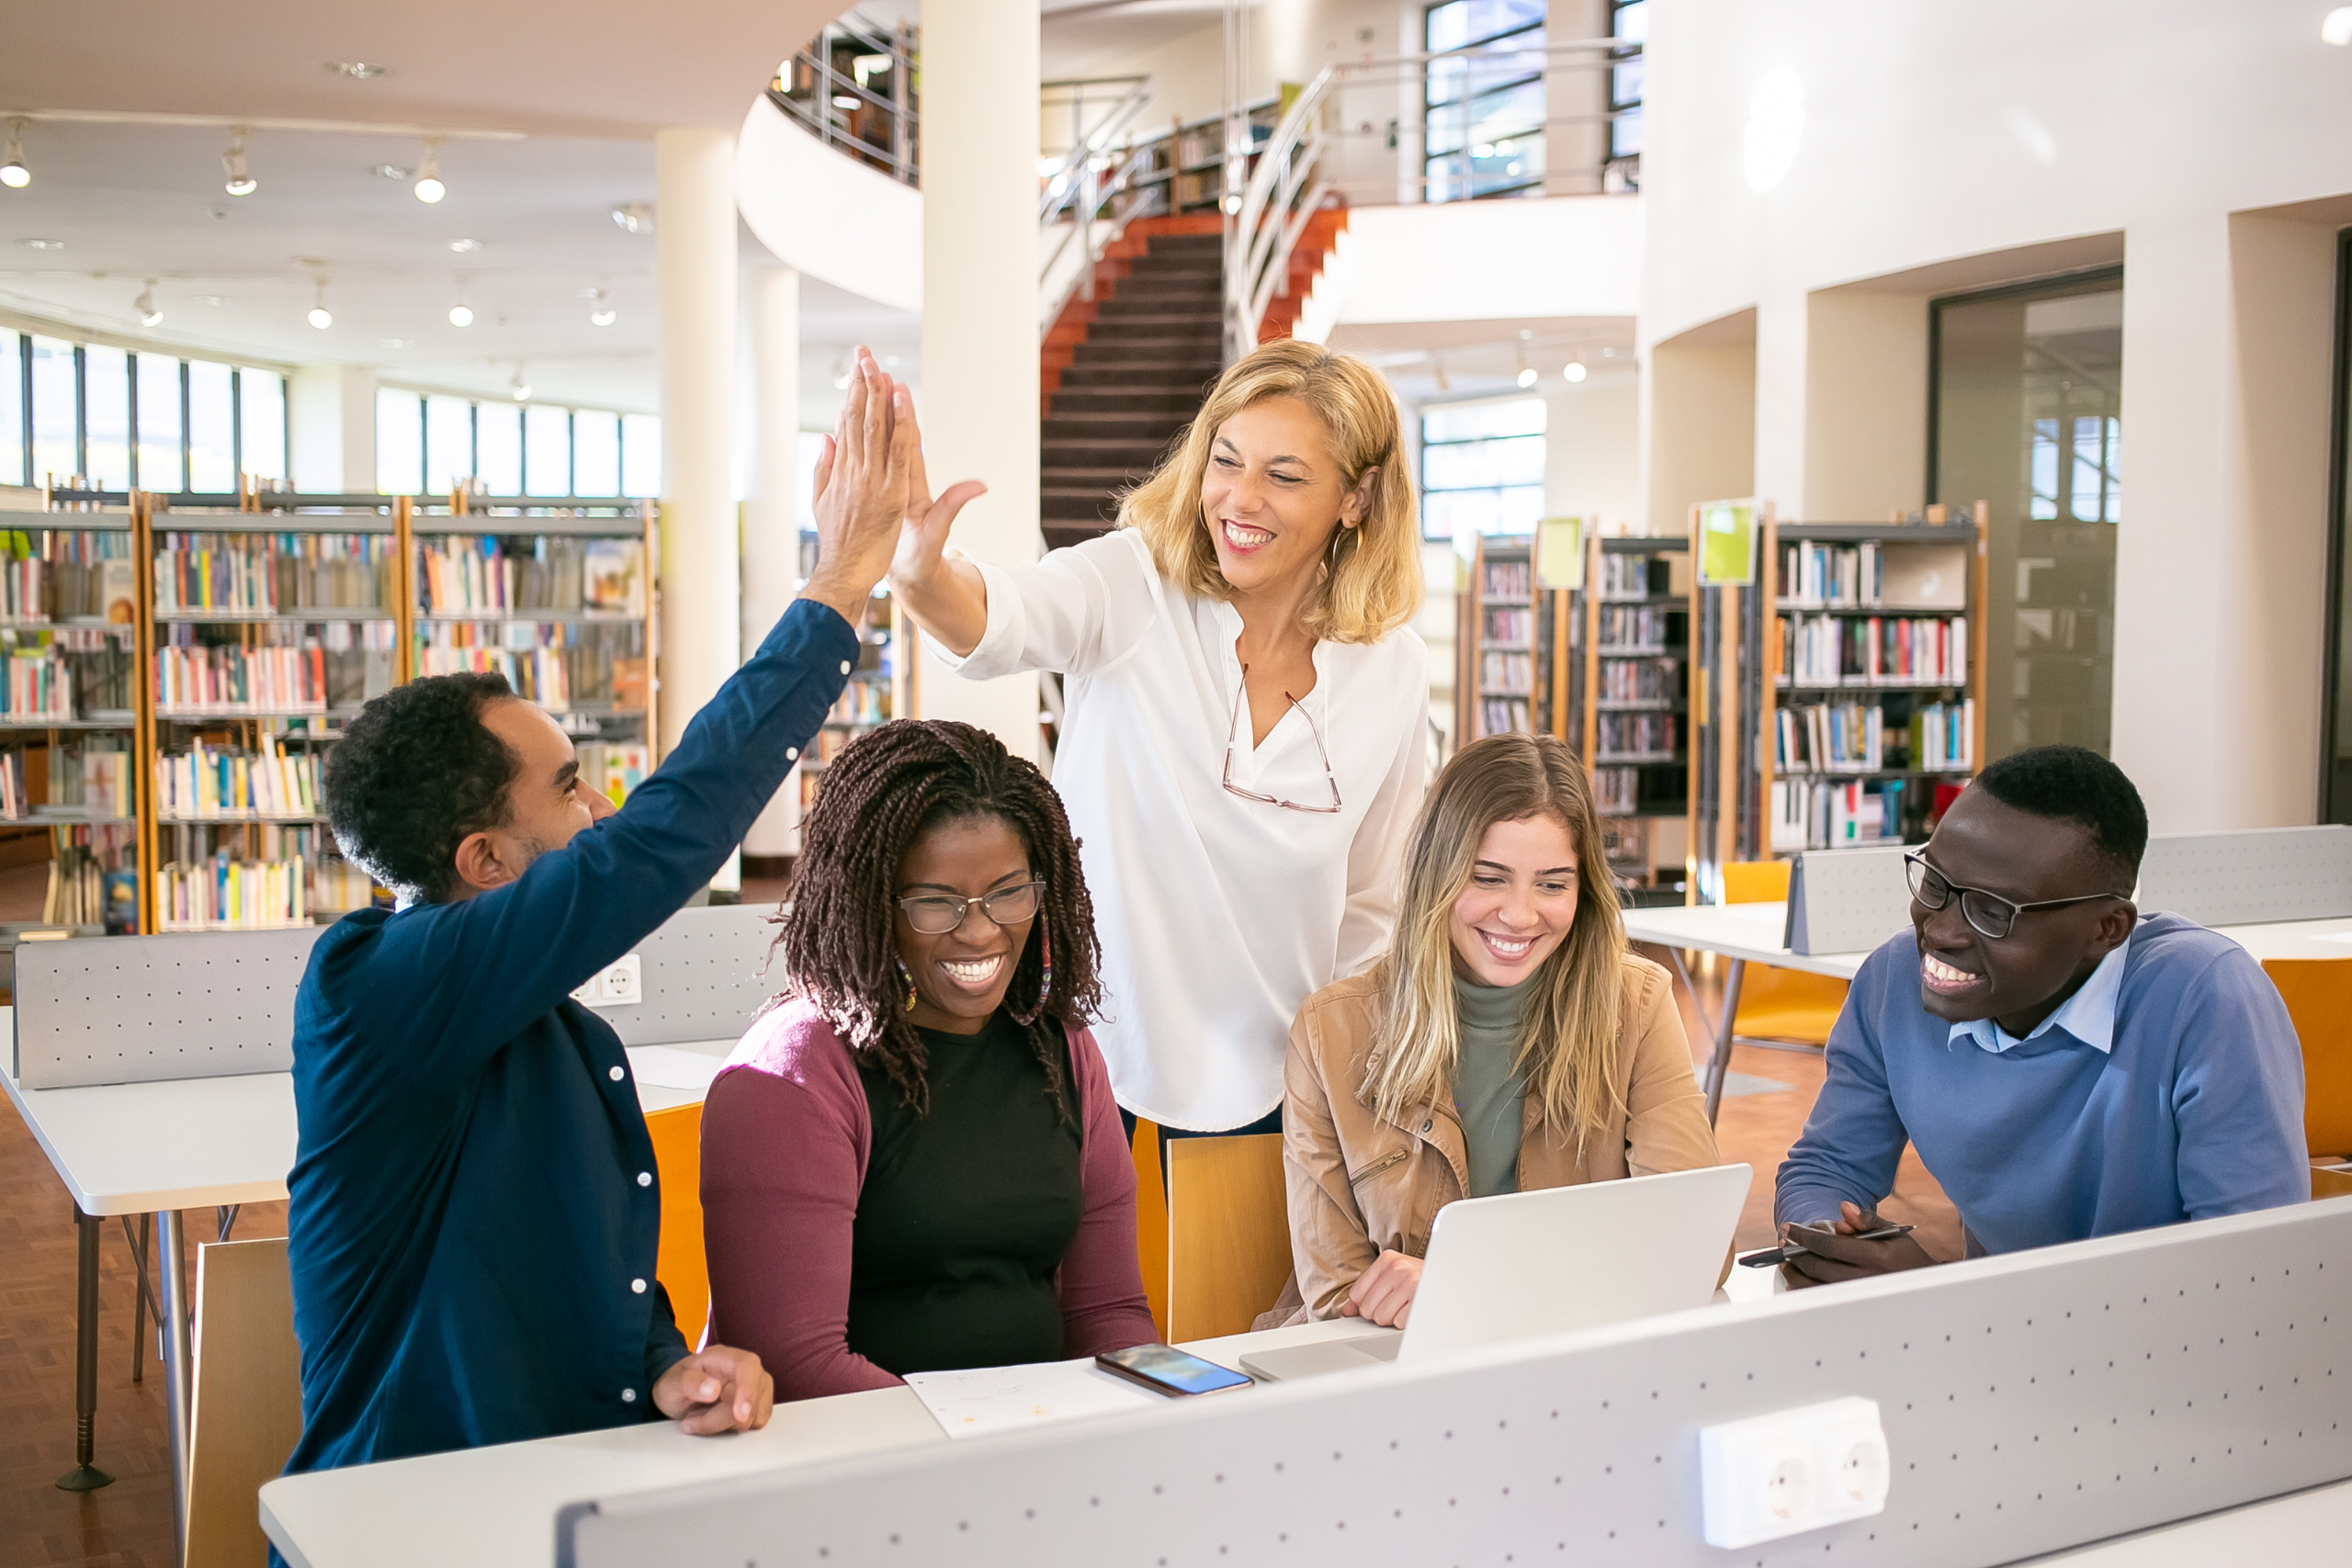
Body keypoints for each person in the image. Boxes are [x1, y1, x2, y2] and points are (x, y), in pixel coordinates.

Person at [280, 355, 914, 1481]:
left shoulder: (553, 1029)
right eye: (569, 787)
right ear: (482, 861)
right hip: (412, 1517)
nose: (601, 808)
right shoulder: (373, 988)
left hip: (570, 1492)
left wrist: (665, 1362)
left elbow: (577, 1262)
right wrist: (838, 587)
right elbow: (657, 841)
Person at [885, 339, 1429, 1144]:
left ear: (1357, 497)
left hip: (1283, 1089)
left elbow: (1373, 906)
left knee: (1241, 1278)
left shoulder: (1393, 669)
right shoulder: (1136, 585)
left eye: (1284, 476)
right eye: (1226, 461)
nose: (1239, 500)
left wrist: (1347, 1088)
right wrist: (923, 576)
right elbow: (1007, 615)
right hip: (1088, 1064)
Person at [700, 719, 1156, 1400]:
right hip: (867, 1463)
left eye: (1009, 891)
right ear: (869, 902)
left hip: (1035, 1448)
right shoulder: (793, 1073)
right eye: (936, 903)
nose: (979, 930)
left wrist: (1162, 1403)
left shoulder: (1061, 1047)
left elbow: (1107, 1313)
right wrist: (990, 1442)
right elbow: (796, 1364)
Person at [1773, 745, 2308, 1285]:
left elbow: (2250, 1277)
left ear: (2107, 929)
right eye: (1935, 883)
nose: (1940, 930)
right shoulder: (1893, 980)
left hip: (2168, 1353)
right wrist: (1826, 1238)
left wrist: (1937, 1296)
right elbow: (1828, 1166)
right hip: (2002, 1351)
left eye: (1993, 911)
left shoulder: (2206, 997)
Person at [1282, 731, 1724, 1325]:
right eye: (1488, 878)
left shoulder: (1636, 1004)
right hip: (1396, 1373)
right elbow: (1337, 1298)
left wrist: (1468, 1287)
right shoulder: (1328, 1032)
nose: (1519, 914)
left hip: (1573, 1358)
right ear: (1437, 875)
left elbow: (1697, 1245)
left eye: (1552, 883)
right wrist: (1556, 1280)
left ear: (1583, 889)